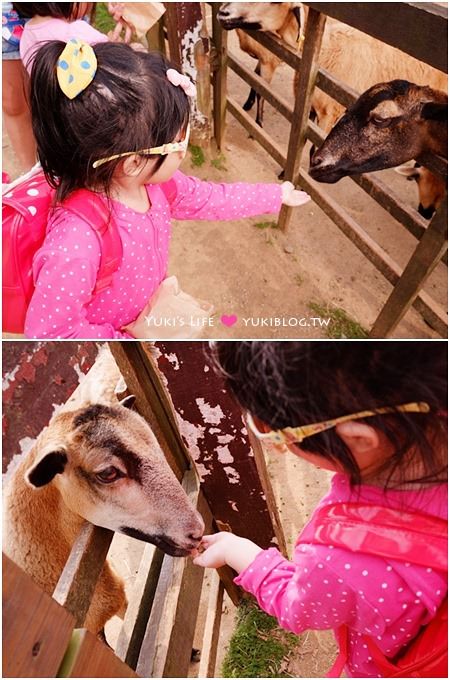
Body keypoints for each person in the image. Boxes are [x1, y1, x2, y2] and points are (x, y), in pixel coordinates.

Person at [194, 341, 448, 678]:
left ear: (358, 439)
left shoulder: (341, 560)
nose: (279, 447)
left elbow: (297, 607)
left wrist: (239, 551)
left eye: (274, 434)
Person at [24, 41, 310, 339]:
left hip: (144, 314)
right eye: (178, 143)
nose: (184, 152)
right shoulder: (77, 241)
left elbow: (211, 199)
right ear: (133, 163)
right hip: (114, 345)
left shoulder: (158, 187)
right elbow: (52, 331)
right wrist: (129, 343)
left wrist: (274, 195)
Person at [2, 3, 36, 171]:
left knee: (68, 90)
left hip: (59, 8)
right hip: (6, 12)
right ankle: (31, 174)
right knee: (13, 102)